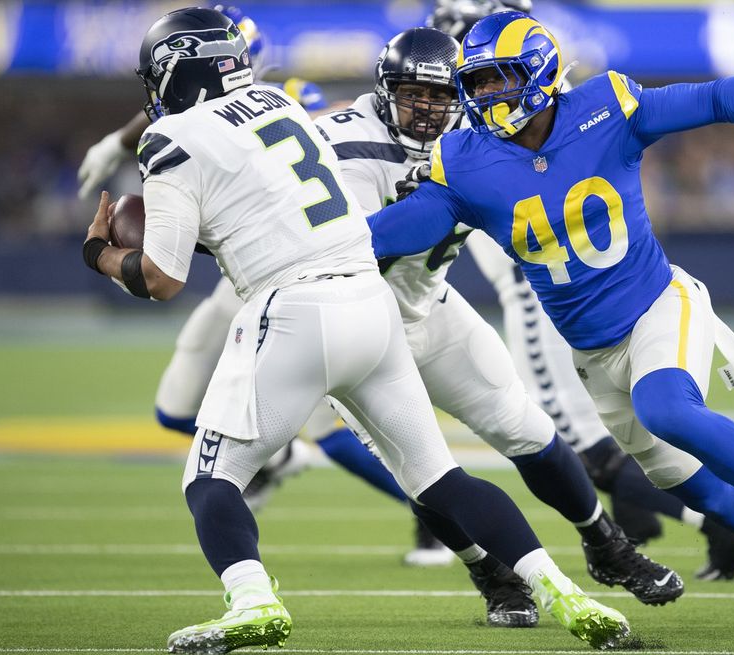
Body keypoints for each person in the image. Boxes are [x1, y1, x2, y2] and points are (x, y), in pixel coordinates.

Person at [82, 8, 632, 652]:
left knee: (210, 479)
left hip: (290, 310)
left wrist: (97, 254)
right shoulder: (278, 104)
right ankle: (563, 590)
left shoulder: (170, 137)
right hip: (372, 303)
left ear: (175, 70)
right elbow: (264, 210)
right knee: (441, 478)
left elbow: (162, 279)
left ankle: (253, 601)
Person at [366, 11, 734, 634]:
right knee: (691, 486)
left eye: (500, 78)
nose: (488, 94)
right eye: (479, 81)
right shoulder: (463, 158)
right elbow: (411, 224)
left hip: (658, 304)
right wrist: (337, 244)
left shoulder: (604, 108)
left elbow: (708, 98)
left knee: (668, 409)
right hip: (593, 351)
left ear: (542, 72)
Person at [313, 26, 683, 623]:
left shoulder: (477, 132)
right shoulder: (339, 139)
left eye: (440, 96)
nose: (428, 109)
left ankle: (606, 544)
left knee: (530, 432)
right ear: (385, 92)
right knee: (422, 469)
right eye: (413, 95)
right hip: (357, 332)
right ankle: (492, 576)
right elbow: (322, 236)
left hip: (431, 309)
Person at [76, 4, 453, 566]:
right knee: (175, 408)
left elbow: (166, 271)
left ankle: (435, 516)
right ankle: (278, 461)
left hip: (295, 270)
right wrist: (119, 142)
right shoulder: (255, 105)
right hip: (239, 269)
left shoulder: (287, 100)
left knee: (328, 424)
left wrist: (104, 249)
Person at [431, 0, 734, 580]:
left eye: (484, 71)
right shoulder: (527, 112)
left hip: (547, 298)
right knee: (612, 442)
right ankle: (676, 520)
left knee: (585, 449)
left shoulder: (489, 129)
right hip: (571, 293)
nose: (471, 84)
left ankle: (719, 524)